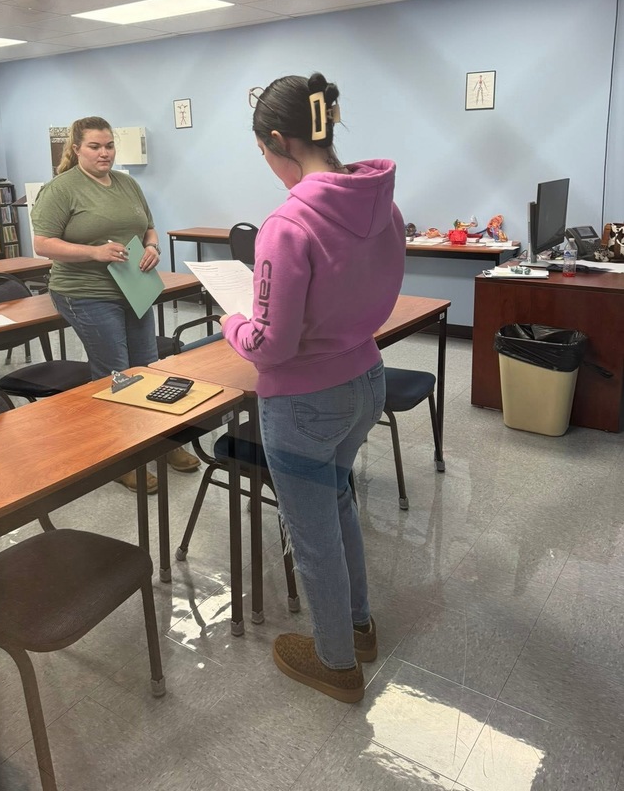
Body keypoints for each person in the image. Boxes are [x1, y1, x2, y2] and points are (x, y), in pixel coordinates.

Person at [221, 73, 405, 702]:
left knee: (312, 534)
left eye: (264, 154)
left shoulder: (287, 223)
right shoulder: (381, 202)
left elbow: (271, 344)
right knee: (339, 500)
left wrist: (233, 322)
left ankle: (336, 664)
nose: (270, 168)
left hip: (303, 401)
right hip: (365, 378)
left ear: (278, 140)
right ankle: (359, 627)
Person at [31, 116, 199, 492]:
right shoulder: (61, 189)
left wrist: (153, 247)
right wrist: (93, 252)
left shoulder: (127, 183)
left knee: (147, 367)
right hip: (85, 292)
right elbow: (42, 244)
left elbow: (149, 228)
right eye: (95, 146)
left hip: (133, 287)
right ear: (76, 149)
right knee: (116, 375)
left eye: (109, 145)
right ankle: (122, 457)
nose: (104, 152)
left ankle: (163, 442)